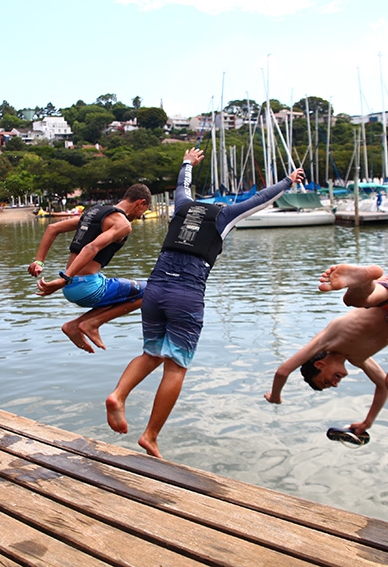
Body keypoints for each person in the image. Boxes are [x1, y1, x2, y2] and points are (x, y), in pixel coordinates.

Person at [106, 148, 306, 458]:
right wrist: (288, 181)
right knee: (176, 368)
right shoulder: (225, 214)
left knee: (151, 353)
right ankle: (150, 435)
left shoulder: (183, 207)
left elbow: (182, 187)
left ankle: (118, 395)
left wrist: (187, 162)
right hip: (186, 295)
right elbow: (261, 200)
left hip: (156, 289)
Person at [264, 264, 388, 435]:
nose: (335, 384)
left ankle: (364, 279)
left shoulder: (326, 340)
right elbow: (383, 386)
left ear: (320, 363)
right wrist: (367, 422)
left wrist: (275, 396)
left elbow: (283, 371)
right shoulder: (359, 358)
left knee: (355, 299)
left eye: (327, 382)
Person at [27, 183, 153, 353]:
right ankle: (92, 323)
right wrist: (64, 279)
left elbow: (53, 228)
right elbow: (91, 248)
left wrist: (39, 262)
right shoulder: (122, 224)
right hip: (86, 287)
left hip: (73, 287)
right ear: (140, 202)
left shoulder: (95, 211)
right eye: (143, 211)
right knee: (152, 291)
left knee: (123, 294)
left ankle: (75, 326)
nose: (139, 217)